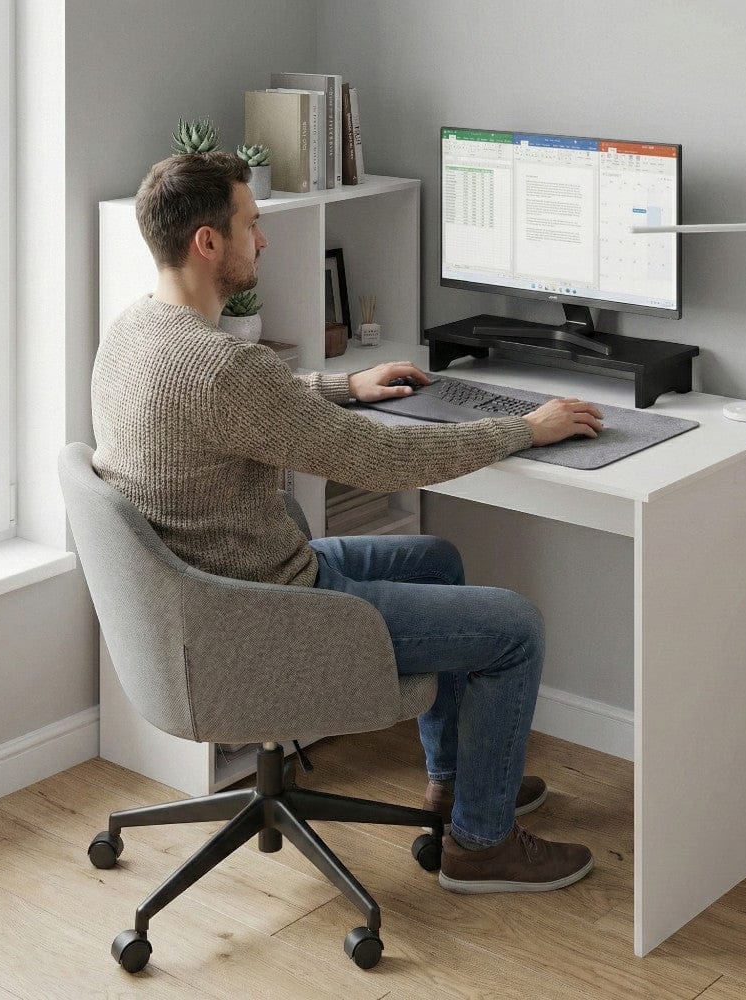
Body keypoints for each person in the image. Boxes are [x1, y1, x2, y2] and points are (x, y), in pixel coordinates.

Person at [92, 151, 603, 893]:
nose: (263, 239)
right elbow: (383, 460)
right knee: (515, 628)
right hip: (267, 612)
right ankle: (482, 846)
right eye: (250, 224)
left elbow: (245, 403)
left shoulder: (136, 331)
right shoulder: (222, 367)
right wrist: (526, 428)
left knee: (435, 559)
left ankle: (459, 788)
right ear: (207, 242)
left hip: (208, 597)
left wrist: (344, 386)